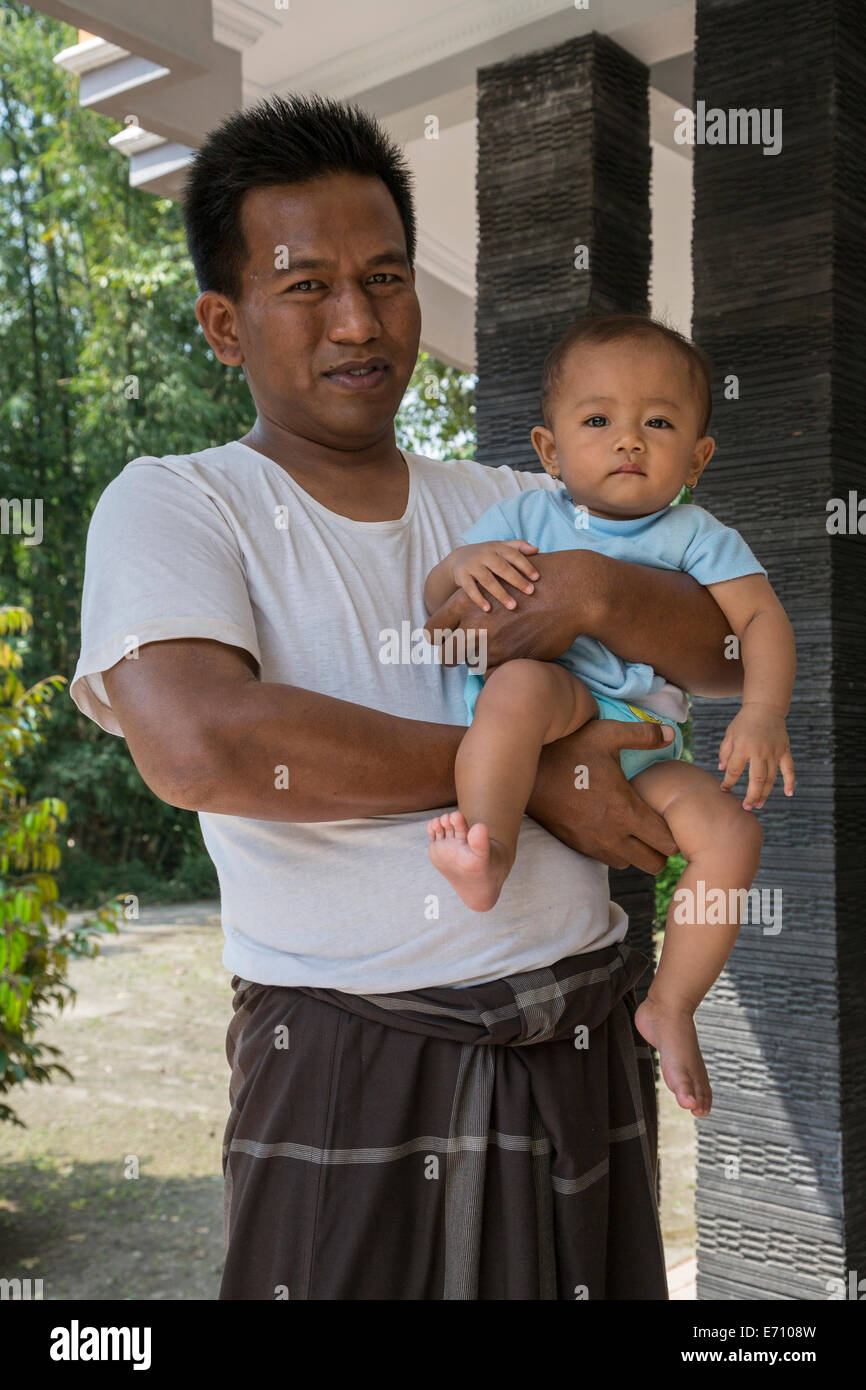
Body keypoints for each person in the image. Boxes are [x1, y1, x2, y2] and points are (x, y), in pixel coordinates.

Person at [70, 93, 744, 1300]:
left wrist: (593, 589)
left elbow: (723, 660)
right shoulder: (177, 501)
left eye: (384, 278)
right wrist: (532, 770)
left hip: (579, 1030)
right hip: (347, 1049)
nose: (357, 320)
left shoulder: (508, 503)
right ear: (224, 325)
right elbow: (198, 743)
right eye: (306, 286)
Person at [424, 315, 796, 1119]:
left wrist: (763, 713)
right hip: (556, 705)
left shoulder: (696, 534)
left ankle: (672, 1003)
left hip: (649, 741)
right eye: (598, 421)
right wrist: (461, 565)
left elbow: (761, 622)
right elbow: (440, 606)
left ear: (697, 457)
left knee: (734, 837)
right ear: (551, 451)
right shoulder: (526, 520)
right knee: (518, 687)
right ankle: (488, 849)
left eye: (658, 422)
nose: (629, 440)